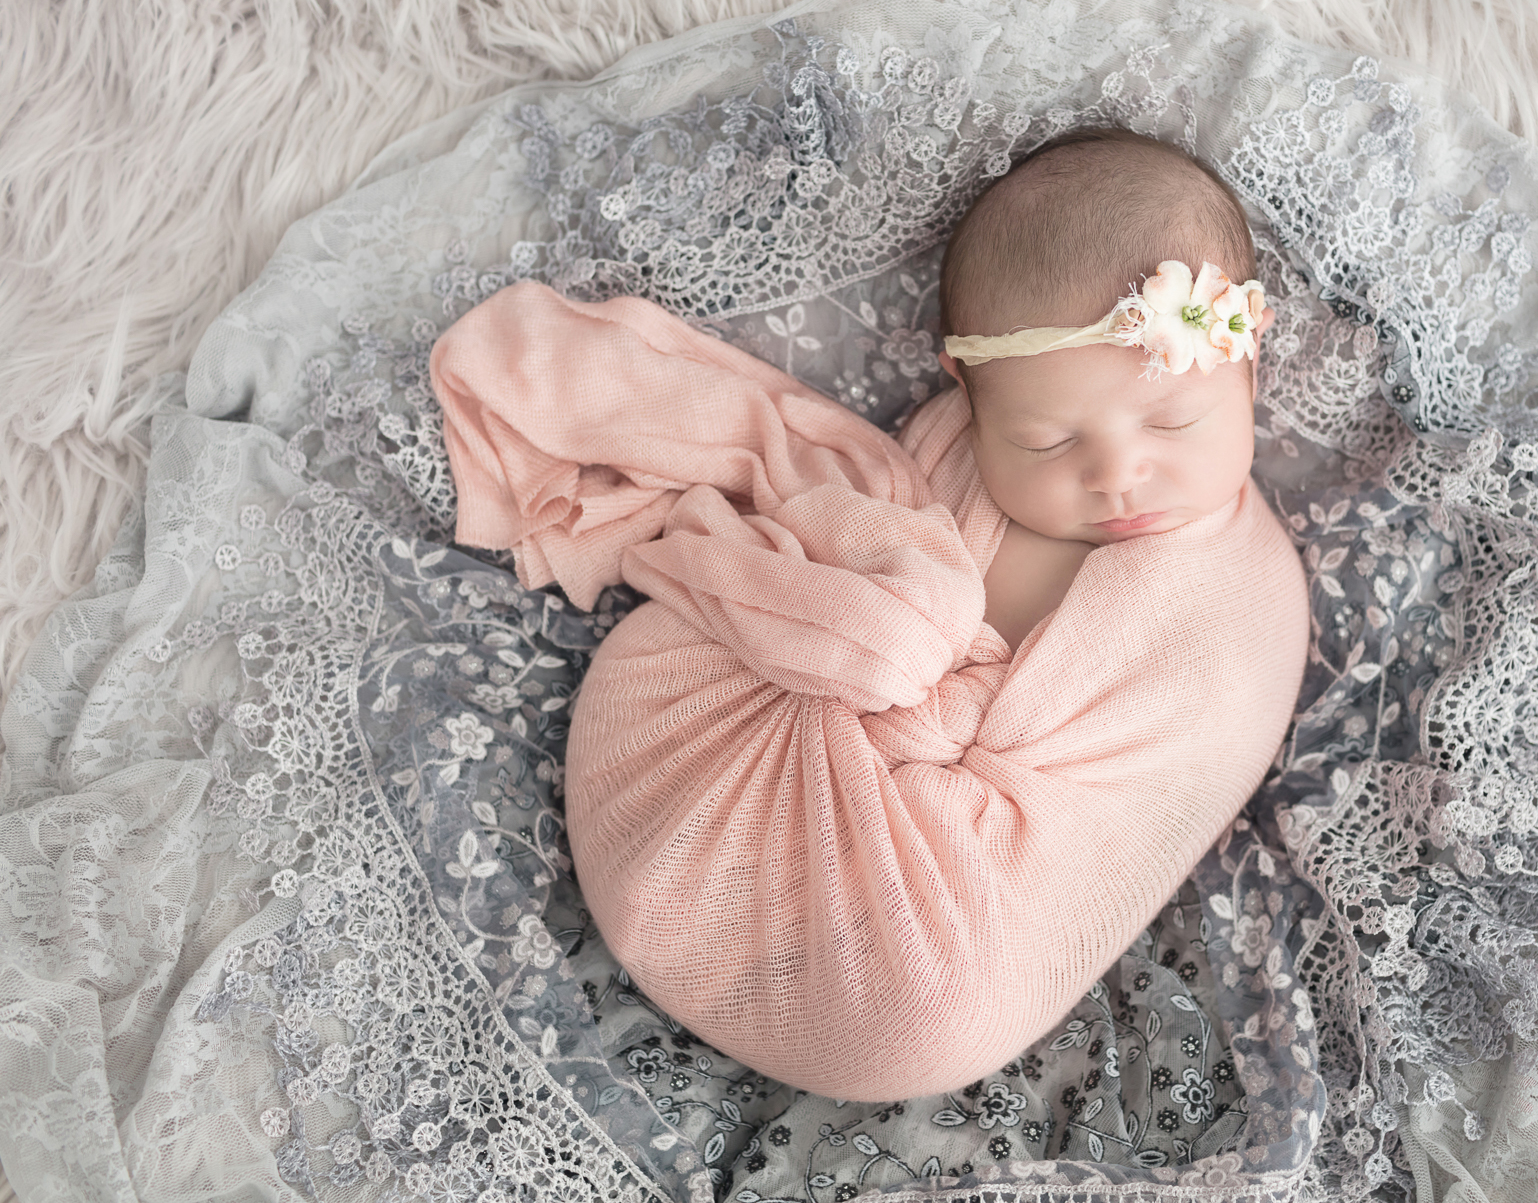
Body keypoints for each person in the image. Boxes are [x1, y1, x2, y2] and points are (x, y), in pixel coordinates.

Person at [428, 128, 1310, 1102]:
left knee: (943, 1003)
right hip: (723, 775)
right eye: (1046, 441)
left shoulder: (1246, 595)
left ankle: (816, 963)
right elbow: (825, 543)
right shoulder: (940, 456)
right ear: (968, 395)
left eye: (1174, 421)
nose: (1117, 473)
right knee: (677, 659)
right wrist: (876, 620)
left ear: (1248, 363)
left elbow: (1155, 787)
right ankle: (730, 901)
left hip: (932, 923)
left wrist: (914, 704)